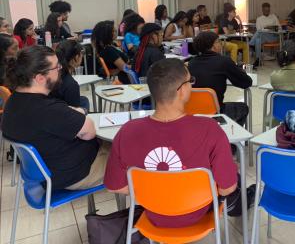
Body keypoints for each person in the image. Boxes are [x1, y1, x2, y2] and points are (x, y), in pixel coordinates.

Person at [104, 58, 240, 227]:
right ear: (182, 90)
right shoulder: (210, 129)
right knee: (234, 175)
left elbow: (114, 186)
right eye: (190, 81)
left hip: (152, 215)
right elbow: (227, 189)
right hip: (199, 214)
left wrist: (154, 195)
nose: (192, 84)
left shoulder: (127, 131)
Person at [1, 46, 108, 190]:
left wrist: (72, 112)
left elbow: (54, 119)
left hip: (45, 172)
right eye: (56, 67)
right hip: (74, 174)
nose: (60, 69)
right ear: (40, 78)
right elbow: (90, 132)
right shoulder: (47, 109)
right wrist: (77, 113)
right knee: (126, 152)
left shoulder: (13, 102)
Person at [188, 32, 252, 126]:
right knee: (243, 107)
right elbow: (246, 83)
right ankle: (229, 137)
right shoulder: (224, 61)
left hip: (193, 112)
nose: (221, 44)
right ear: (213, 46)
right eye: (218, 42)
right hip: (216, 112)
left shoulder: (191, 63)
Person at [51, 40, 90, 110]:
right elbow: (74, 116)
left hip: (51, 108)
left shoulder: (52, 73)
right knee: (84, 104)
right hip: (61, 115)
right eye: (81, 53)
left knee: (84, 100)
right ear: (76, 57)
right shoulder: (71, 85)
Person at [249, 2, 281, 68]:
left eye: (268, 10)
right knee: (258, 40)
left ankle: (251, 44)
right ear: (262, 10)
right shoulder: (259, 19)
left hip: (273, 36)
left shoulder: (274, 17)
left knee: (258, 36)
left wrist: (272, 28)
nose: (267, 12)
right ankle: (258, 60)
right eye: (265, 10)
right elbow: (258, 30)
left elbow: (280, 28)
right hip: (263, 36)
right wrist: (266, 28)